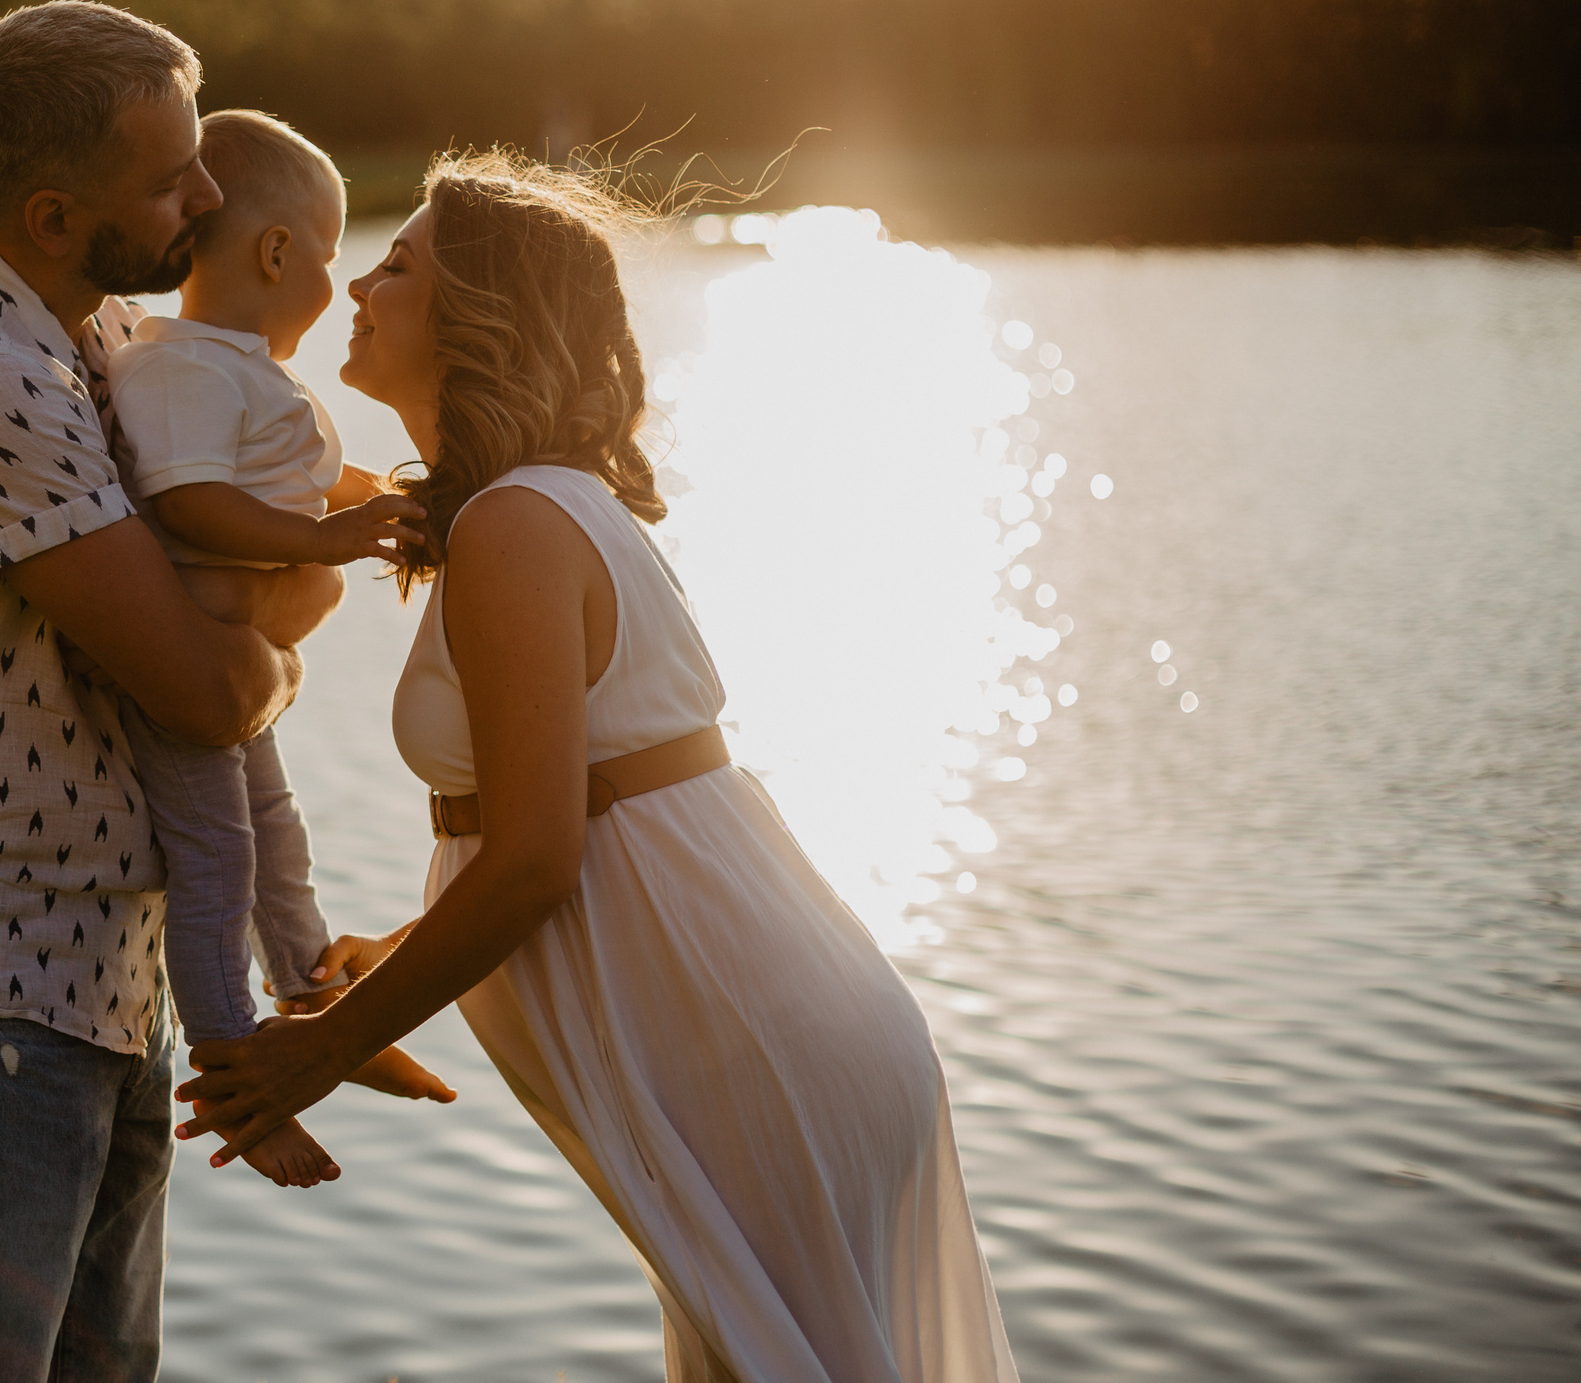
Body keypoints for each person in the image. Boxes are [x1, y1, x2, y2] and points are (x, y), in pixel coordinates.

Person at [174, 151, 1024, 1383]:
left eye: (399, 265)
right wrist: (398, 961)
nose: (359, 279)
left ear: (477, 318)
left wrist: (323, 1045)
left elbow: (532, 858)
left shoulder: (517, 522)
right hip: (745, 1035)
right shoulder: (526, 508)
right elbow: (551, 836)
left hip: (750, 1053)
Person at [0, 0, 439, 1383]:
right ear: (52, 211)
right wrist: (304, 603)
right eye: (171, 179)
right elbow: (210, 691)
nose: (210, 196)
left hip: (92, 976)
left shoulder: (94, 326)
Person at [104, 108, 446, 1190]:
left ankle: (310, 998)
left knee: (273, 833)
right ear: (277, 252)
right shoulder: (179, 368)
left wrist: (391, 502)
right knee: (215, 866)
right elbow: (194, 503)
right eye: (335, 257)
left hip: (234, 686)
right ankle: (233, 1068)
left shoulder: (240, 370)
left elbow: (296, 479)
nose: (338, 285)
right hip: (180, 688)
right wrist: (321, 540)